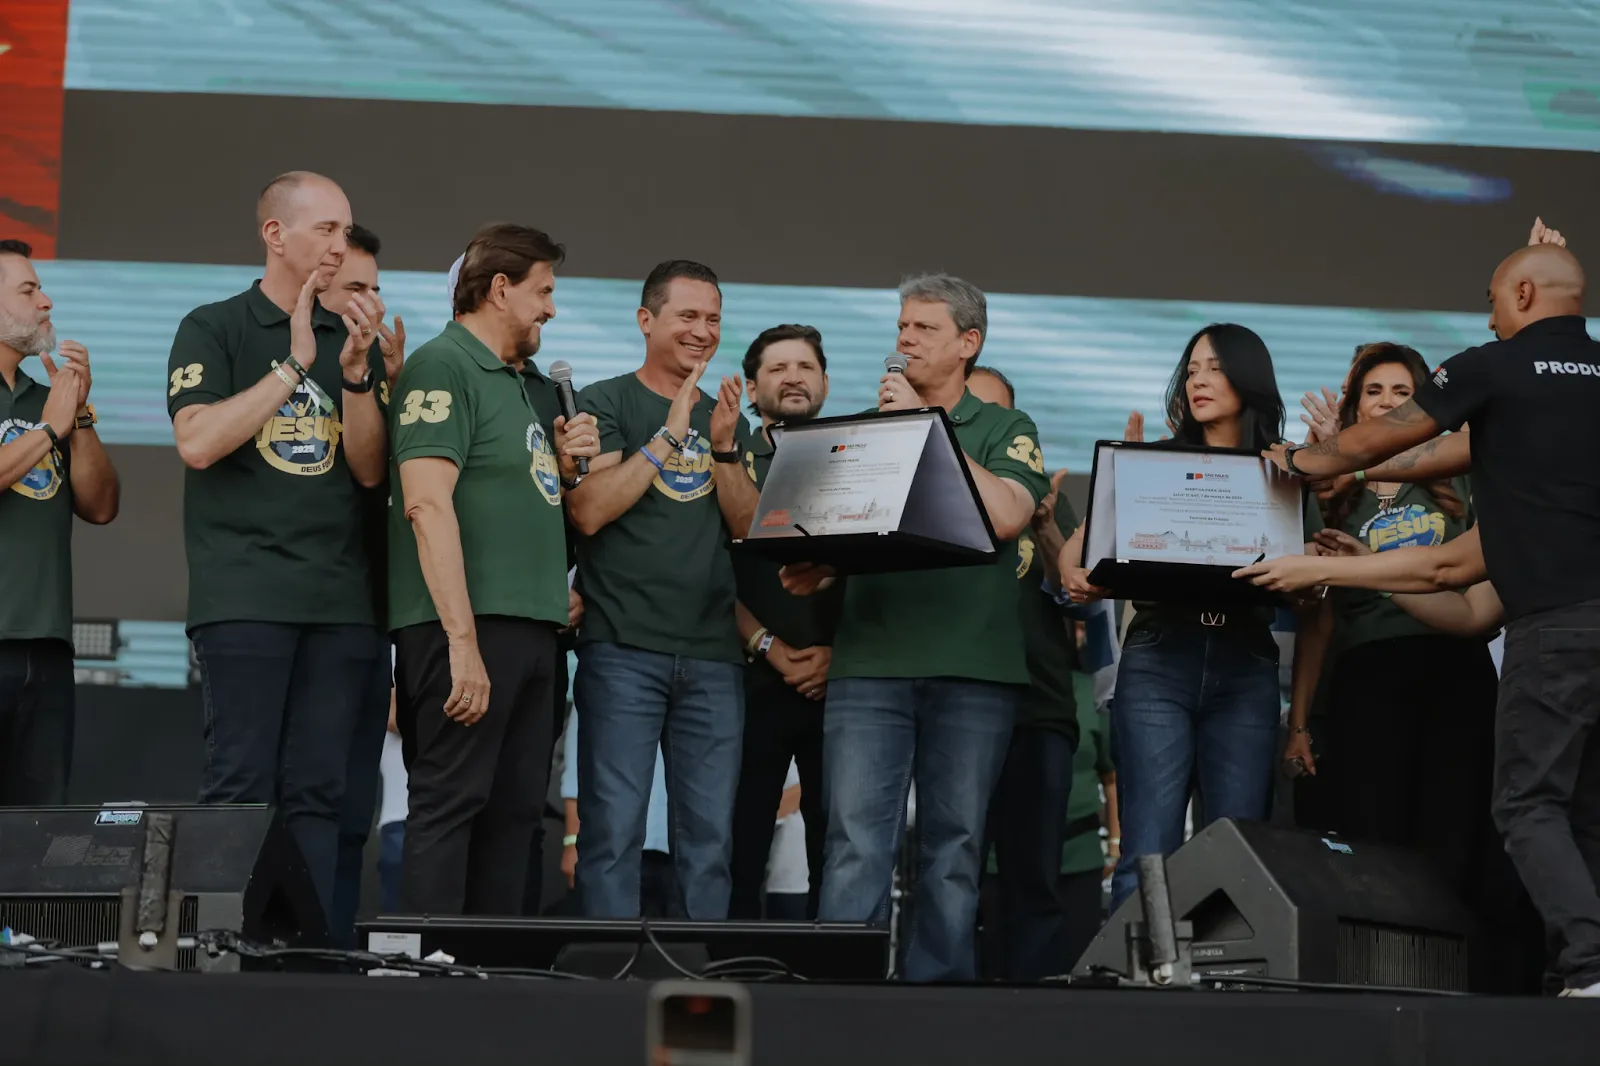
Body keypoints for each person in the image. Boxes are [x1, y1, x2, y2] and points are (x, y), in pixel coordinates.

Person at [1260, 229, 1600, 995]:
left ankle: (1589, 965)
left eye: (1490, 303)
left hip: (1552, 631)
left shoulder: (1497, 367)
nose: (1485, 322)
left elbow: (1390, 438)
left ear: (1520, 297)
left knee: (1529, 806)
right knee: (1586, 812)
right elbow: (1430, 489)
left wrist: (1303, 461)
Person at [782, 273, 1050, 982]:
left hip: (974, 667)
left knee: (955, 848)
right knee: (854, 843)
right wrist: (825, 564)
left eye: (922, 329)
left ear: (969, 343)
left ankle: (937, 1010)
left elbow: (1005, 517)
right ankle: (840, 998)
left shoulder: (1003, 428)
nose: (903, 339)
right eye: (901, 326)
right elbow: (856, 526)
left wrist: (926, 432)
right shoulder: (867, 423)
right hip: (870, 662)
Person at [166, 172, 388, 924]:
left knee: (320, 792)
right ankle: (224, 962)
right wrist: (292, 366)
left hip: (340, 602)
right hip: (246, 595)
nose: (339, 244)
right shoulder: (216, 325)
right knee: (239, 787)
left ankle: (309, 964)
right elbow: (196, 442)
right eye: (325, 229)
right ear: (275, 236)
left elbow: (366, 470)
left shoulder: (349, 336)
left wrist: (355, 379)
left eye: (344, 230)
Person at [1282, 342, 1535, 991]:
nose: (1389, 403)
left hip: (1457, 678)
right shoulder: (1333, 494)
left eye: (1403, 393)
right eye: (1375, 392)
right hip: (1368, 683)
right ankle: (1380, 987)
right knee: (1376, 844)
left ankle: (1456, 989)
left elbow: (1482, 597)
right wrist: (1300, 721)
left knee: (1454, 840)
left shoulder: (1463, 484)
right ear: (1355, 404)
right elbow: (1318, 619)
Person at [1061, 323, 1314, 911]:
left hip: (1247, 665)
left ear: (1248, 377)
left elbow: (1311, 589)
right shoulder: (1153, 461)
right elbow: (1075, 560)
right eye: (1192, 368)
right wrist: (1113, 491)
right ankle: (1140, 986)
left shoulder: (1285, 470)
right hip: (1158, 657)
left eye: (1216, 368)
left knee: (1237, 849)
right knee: (1147, 849)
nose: (1199, 380)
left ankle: (1224, 989)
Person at [388, 222, 597, 915]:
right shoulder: (443, 365)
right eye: (543, 292)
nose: (551, 309)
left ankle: (497, 984)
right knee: (451, 808)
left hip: (537, 634)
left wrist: (571, 470)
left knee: (515, 821)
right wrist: (462, 643)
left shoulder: (529, 386)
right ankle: (428, 981)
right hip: (467, 629)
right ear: (499, 289)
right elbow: (424, 504)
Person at [565, 260, 758, 920]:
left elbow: (748, 529)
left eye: (712, 319)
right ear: (647, 320)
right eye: (687, 316)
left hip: (713, 653)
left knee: (708, 842)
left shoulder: (729, 417)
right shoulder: (606, 401)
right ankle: (607, 985)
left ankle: (699, 984)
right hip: (622, 648)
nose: (702, 331)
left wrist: (726, 450)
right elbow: (589, 509)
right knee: (612, 833)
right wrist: (671, 433)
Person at [967, 364, 1082, 980]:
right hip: (956, 704)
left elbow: (1076, 595)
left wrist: (1044, 523)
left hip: (1036, 713)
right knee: (952, 873)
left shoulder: (1030, 499)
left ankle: (1035, 1014)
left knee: (1034, 879)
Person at [0, 240, 118, 804]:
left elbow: (100, 506)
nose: (45, 302)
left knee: (37, 829)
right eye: (28, 290)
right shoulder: (47, 416)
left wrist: (82, 416)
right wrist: (47, 432)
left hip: (46, 643)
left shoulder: (47, 398)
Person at [728, 324, 839, 920]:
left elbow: (880, 571)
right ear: (751, 387)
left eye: (806, 367)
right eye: (777, 368)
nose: (793, 376)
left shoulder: (859, 455)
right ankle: (734, 971)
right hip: (749, 682)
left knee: (838, 846)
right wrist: (766, 644)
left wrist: (835, 654)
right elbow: (708, 570)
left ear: (825, 382)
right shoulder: (726, 457)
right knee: (740, 842)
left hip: (842, 681)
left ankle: (834, 987)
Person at [319, 223, 406, 945]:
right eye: (357, 287)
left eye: (377, 288)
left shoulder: (377, 364)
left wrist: (391, 384)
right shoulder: (275, 348)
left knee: (352, 808)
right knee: (287, 802)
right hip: (288, 610)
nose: (372, 302)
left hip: (366, 612)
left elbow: (378, 475)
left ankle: (335, 952)